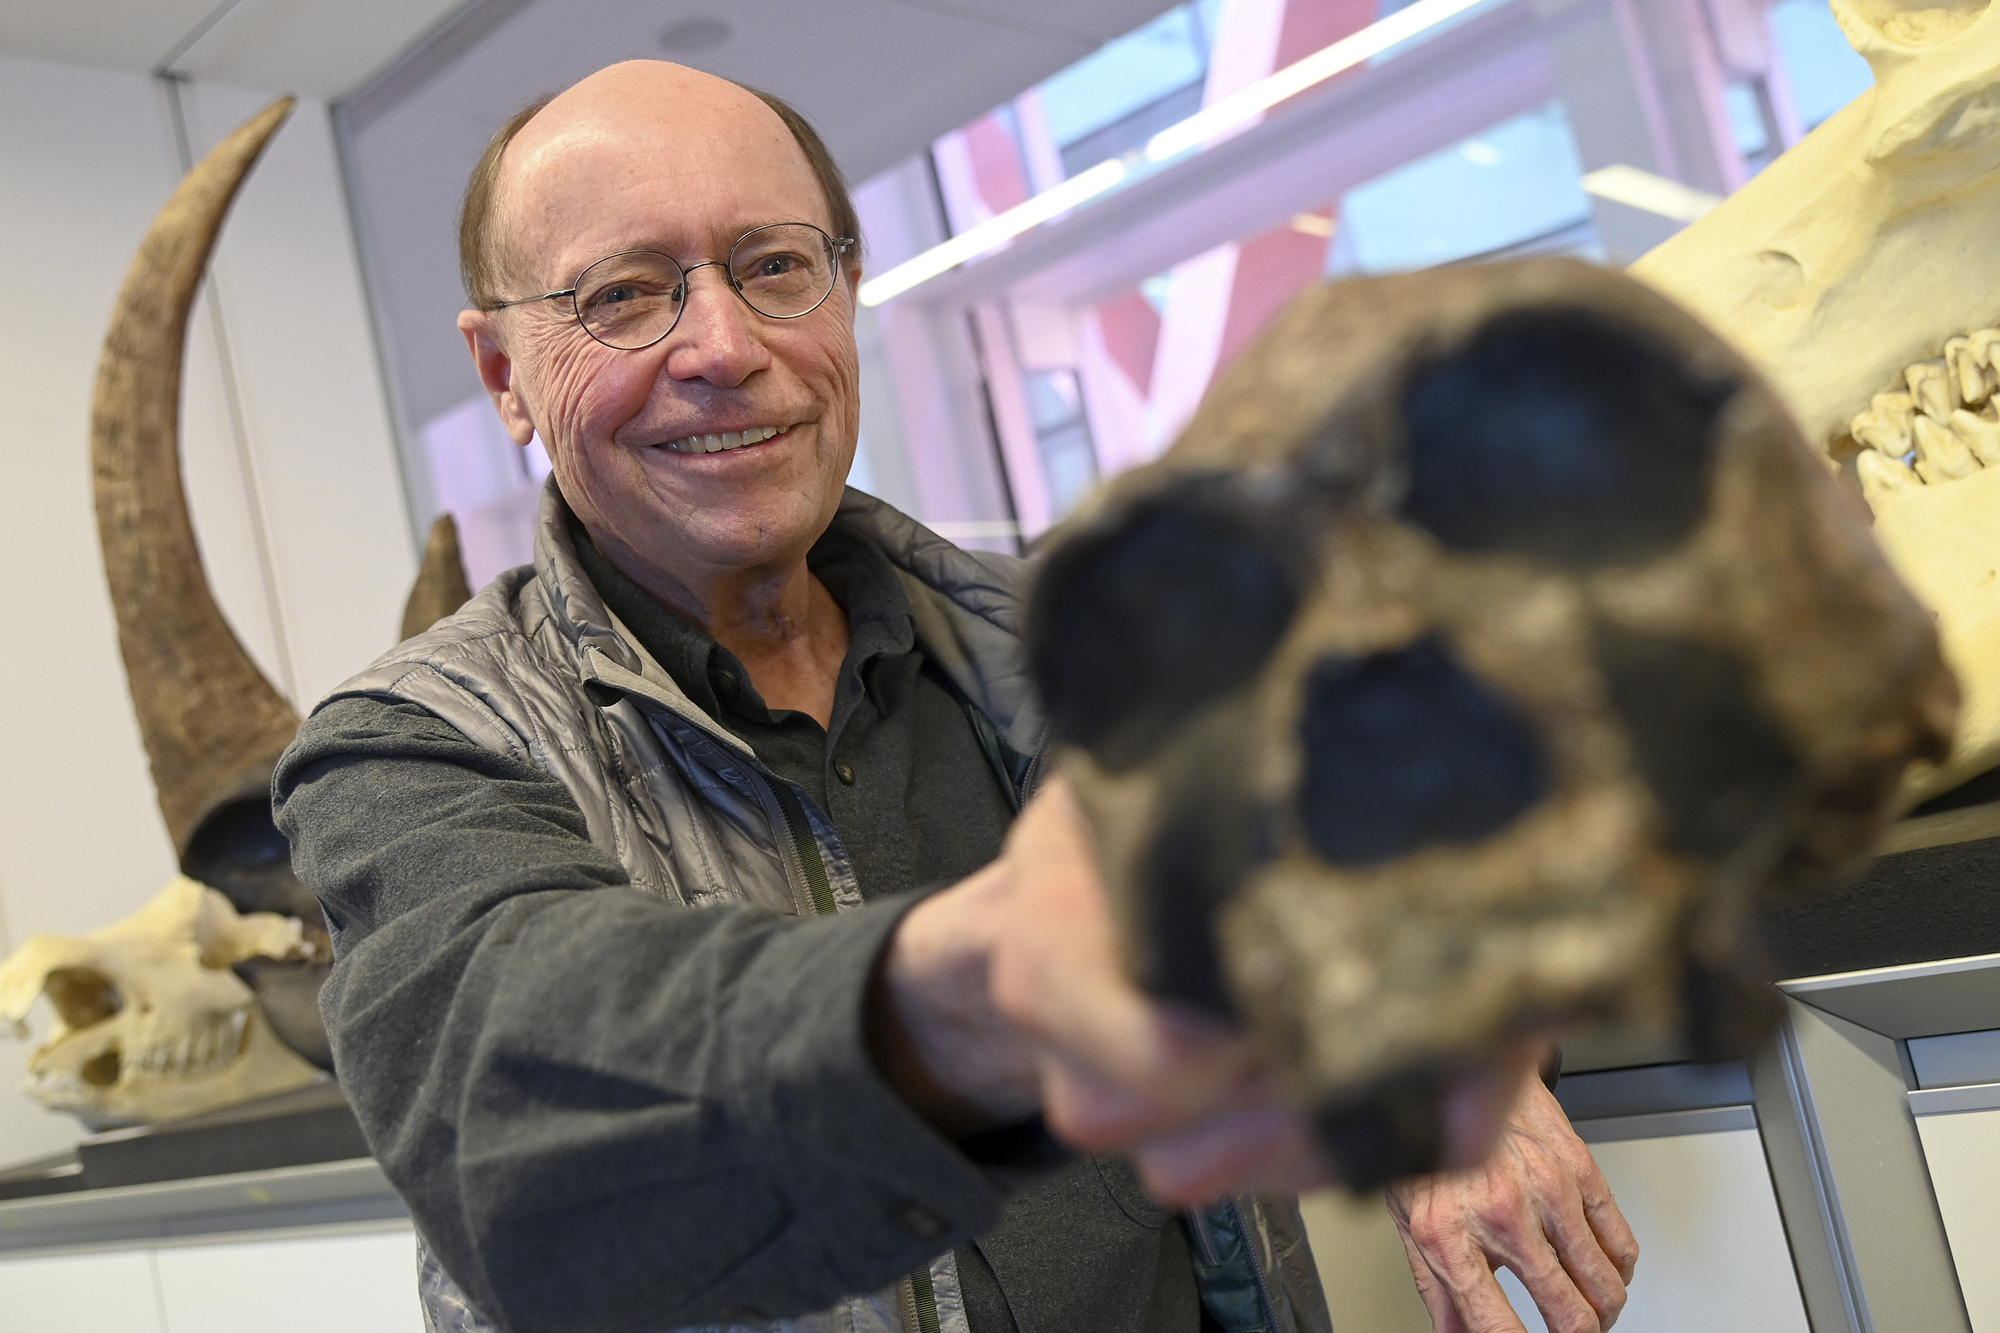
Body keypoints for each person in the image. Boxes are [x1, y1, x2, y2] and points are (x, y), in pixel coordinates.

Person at [273, 60, 1638, 1333]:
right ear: (506, 375)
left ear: (843, 295)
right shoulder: (408, 747)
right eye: (626, 293)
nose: (723, 345)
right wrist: (984, 979)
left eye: (774, 266)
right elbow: (512, 1092)